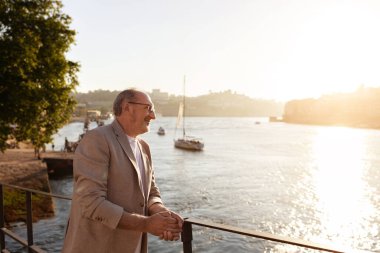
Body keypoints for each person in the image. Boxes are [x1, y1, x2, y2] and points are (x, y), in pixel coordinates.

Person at [62, 89, 183, 253]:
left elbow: (151, 193)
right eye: (148, 108)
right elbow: (91, 202)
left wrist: (161, 212)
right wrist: (147, 224)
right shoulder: (97, 139)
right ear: (127, 107)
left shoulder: (144, 148)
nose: (153, 116)